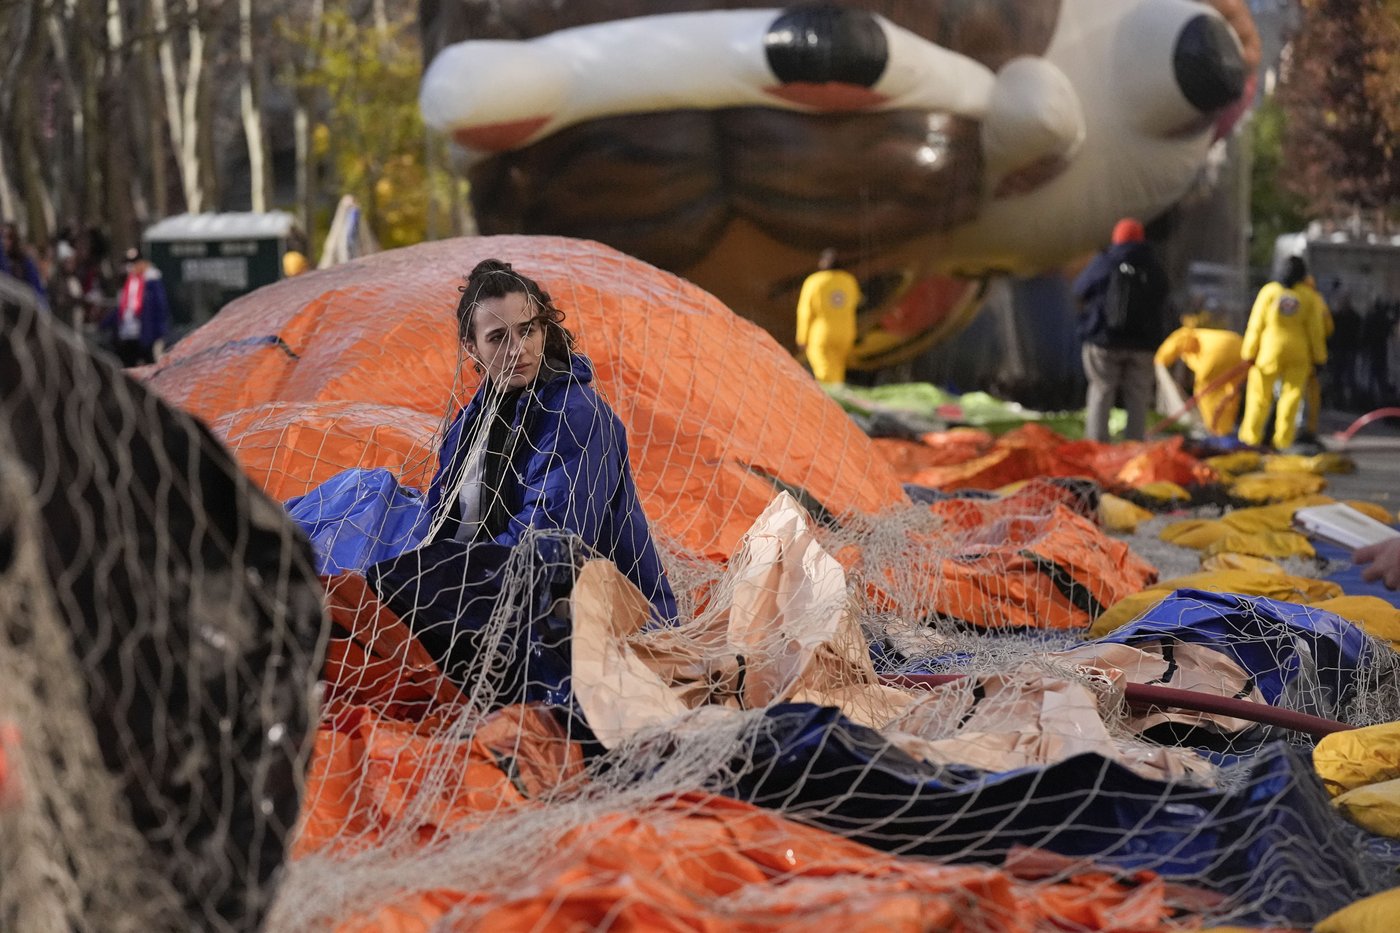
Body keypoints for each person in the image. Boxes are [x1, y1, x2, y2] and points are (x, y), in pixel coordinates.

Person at [1073, 218, 1172, 442]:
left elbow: (1080, 290)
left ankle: (1097, 444)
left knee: (1102, 390)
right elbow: (1163, 297)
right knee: (1138, 396)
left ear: (1116, 238)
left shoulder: (1106, 261)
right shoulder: (1153, 265)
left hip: (1104, 341)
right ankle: (1134, 446)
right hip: (1143, 344)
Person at [1238, 256, 1328, 451]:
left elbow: (1256, 324)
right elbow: (1315, 330)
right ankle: (1283, 442)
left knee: (1259, 396)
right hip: (1298, 352)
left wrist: (1248, 353)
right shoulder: (1308, 296)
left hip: (1269, 351)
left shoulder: (1269, 292)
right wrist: (1319, 358)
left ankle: (1250, 439)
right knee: (1291, 396)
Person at [1153, 313, 1245, 436]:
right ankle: (1225, 429)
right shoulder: (1209, 334)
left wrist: (1160, 359)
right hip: (1240, 347)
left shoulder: (1186, 333)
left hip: (1215, 356)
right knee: (1230, 392)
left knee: (1207, 392)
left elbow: (1169, 349)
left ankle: (1213, 430)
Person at [795, 248, 861, 384]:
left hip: (823, 332)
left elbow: (805, 312)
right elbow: (856, 302)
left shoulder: (814, 281)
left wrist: (802, 337)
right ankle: (838, 397)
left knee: (824, 371)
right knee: (838, 369)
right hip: (846, 332)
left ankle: (830, 400)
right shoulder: (849, 280)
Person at [102, 246, 171, 366]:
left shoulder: (152, 282)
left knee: (150, 366)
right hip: (127, 334)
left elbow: (160, 308)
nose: (131, 267)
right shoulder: (127, 282)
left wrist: (160, 333)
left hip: (146, 334)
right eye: (129, 263)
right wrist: (105, 323)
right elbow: (122, 308)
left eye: (134, 263)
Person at [1296, 274, 1333, 440]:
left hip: (1281, 355)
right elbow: (1326, 328)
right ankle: (1307, 430)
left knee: (1287, 393)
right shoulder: (1316, 300)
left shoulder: (1281, 293)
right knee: (1311, 394)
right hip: (1308, 356)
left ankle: (1283, 433)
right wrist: (1320, 358)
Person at [0, 221, 46, 301]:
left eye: (9, 237)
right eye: (2, 237)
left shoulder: (24, 262)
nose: (4, 241)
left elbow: (37, 290)